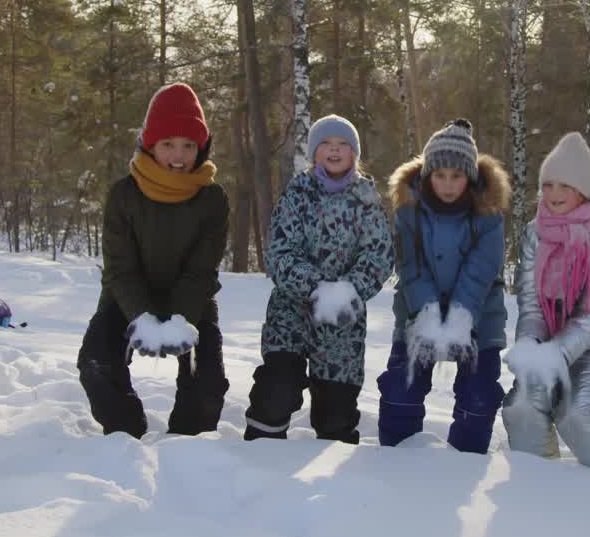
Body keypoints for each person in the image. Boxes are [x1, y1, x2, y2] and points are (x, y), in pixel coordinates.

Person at [77, 82, 230, 439]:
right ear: (151, 145)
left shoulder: (212, 199)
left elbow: (202, 269)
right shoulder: (123, 195)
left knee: (208, 380)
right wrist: (141, 318)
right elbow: (120, 268)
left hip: (192, 301)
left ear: (201, 147)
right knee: (96, 362)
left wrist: (181, 319)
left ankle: (186, 443)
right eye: (168, 145)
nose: (179, 155)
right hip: (126, 298)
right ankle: (125, 431)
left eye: (189, 145)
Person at [243, 114, 395, 444]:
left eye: (343, 144)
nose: (335, 150)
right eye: (326, 144)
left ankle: (334, 485)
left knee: (335, 413)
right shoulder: (297, 194)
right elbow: (279, 253)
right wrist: (315, 288)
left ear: (354, 153)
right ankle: (259, 458)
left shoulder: (366, 200)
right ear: (314, 153)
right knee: (276, 390)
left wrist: (347, 292)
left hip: (343, 320)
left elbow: (379, 255)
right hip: (292, 312)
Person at [502, 131, 590, 474]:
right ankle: (538, 483)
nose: (555, 194)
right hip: (549, 343)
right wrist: (530, 345)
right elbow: (530, 301)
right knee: (522, 409)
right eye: (548, 185)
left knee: (577, 415)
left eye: (565, 186)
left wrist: (556, 354)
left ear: (583, 190)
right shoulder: (535, 233)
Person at [378, 119, 511, 454]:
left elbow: (482, 269)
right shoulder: (409, 212)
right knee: (401, 388)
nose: (448, 184)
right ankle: (396, 456)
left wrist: (460, 315)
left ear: (470, 176)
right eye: (440, 176)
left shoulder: (488, 213)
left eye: (457, 176)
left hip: (479, 316)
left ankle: (465, 460)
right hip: (418, 310)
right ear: (427, 176)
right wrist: (428, 311)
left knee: (478, 394)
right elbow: (410, 266)